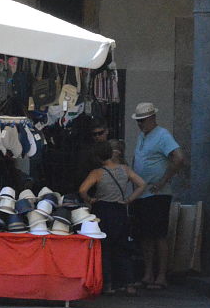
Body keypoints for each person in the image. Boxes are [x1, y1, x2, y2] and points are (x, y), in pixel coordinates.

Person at [130, 101, 186, 289]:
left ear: (153, 118)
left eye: (143, 120)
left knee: (159, 235)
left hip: (157, 194)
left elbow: (179, 157)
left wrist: (163, 181)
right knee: (146, 236)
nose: (140, 124)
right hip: (142, 194)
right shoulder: (142, 136)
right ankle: (148, 274)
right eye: (139, 121)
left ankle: (161, 276)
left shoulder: (162, 135)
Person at [79, 140, 147, 295]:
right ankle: (128, 283)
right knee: (123, 248)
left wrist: (90, 200)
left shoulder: (96, 173)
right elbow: (142, 184)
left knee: (105, 248)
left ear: (97, 157)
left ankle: (108, 284)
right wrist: (129, 199)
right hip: (120, 210)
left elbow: (82, 190)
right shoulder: (125, 169)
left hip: (102, 210)